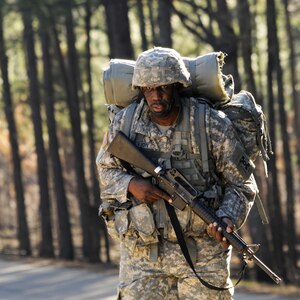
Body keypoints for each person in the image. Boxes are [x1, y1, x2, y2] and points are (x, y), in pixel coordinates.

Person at [96, 47, 257, 299]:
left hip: (203, 252)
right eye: (148, 89)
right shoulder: (125, 123)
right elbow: (106, 169)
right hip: (143, 255)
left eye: (163, 88)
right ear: (140, 90)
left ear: (178, 86)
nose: (156, 96)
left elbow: (242, 184)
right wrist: (132, 184)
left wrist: (227, 217)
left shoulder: (209, 124)